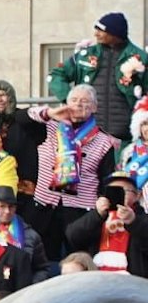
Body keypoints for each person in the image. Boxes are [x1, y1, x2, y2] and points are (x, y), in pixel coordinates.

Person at [27, 84, 117, 260]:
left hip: (80, 211)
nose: (78, 105)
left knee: (79, 262)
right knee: (44, 262)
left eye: (85, 101)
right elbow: (24, 116)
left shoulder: (104, 141)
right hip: (45, 206)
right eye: (74, 100)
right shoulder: (50, 127)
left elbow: (106, 180)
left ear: (95, 107)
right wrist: (50, 113)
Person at [48, 11, 148, 142]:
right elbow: (56, 75)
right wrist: (71, 99)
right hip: (88, 134)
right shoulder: (85, 55)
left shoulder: (141, 58)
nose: (96, 34)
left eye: (101, 30)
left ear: (115, 33)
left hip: (125, 137)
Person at [64, 178, 148, 276]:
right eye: (113, 191)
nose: (118, 194)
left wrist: (133, 222)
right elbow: (72, 236)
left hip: (133, 280)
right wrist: (97, 215)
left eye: (124, 191)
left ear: (137, 195)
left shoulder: (142, 218)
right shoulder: (97, 216)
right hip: (96, 277)